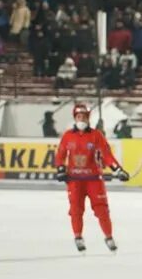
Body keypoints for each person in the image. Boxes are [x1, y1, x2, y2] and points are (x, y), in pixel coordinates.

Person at [55, 103, 129, 253]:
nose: (81, 119)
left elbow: (107, 155)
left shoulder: (96, 135)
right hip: (74, 180)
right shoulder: (68, 136)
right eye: (78, 116)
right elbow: (60, 155)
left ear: (88, 118)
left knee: (101, 209)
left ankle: (108, 236)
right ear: (75, 118)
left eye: (84, 117)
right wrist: (61, 169)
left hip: (94, 179)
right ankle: (78, 237)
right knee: (76, 209)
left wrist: (118, 169)